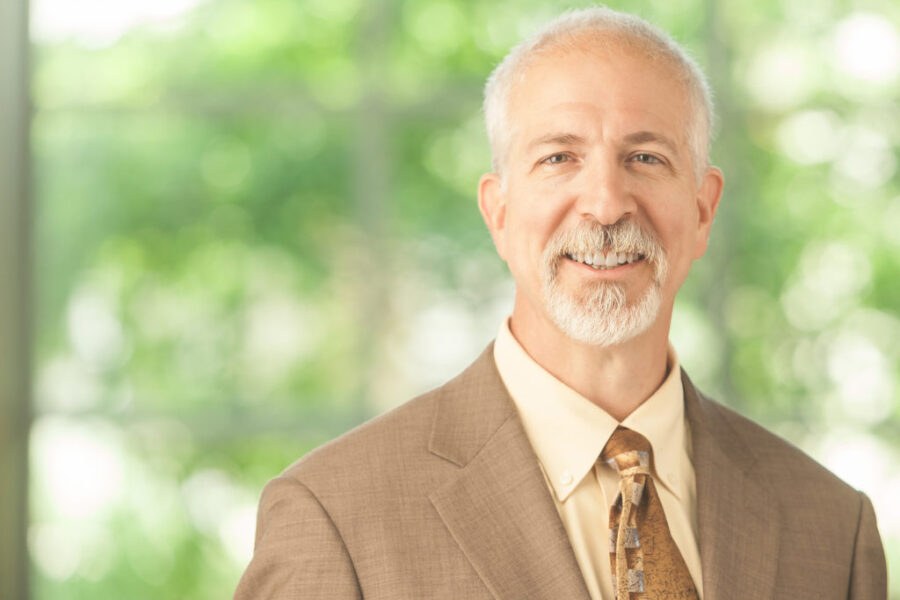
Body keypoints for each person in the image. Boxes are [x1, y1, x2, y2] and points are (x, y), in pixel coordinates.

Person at [235, 7, 887, 599]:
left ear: (702, 208)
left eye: (645, 157)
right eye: (558, 158)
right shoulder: (337, 518)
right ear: (498, 209)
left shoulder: (832, 530)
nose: (606, 203)